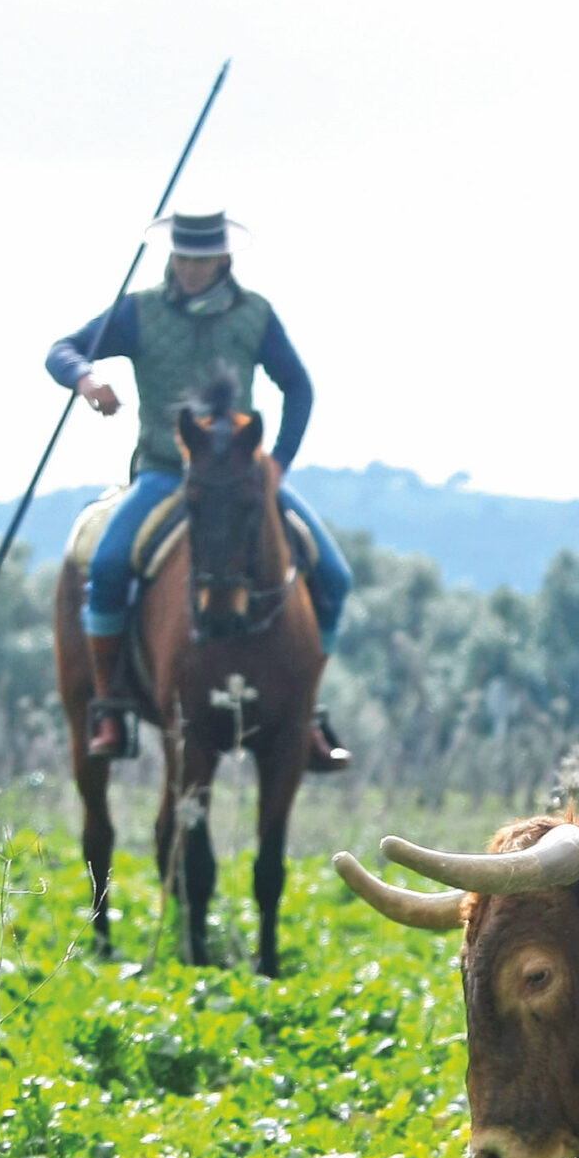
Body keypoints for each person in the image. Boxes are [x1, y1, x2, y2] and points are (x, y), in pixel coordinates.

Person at [46, 210, 353, 765]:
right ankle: (111, 705)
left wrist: (277, 464)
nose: (190, 267)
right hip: (166, 474)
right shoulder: (140, 312)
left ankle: (305, 713)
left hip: (242, 481)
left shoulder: (255, 314)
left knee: (334, 574)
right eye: (183, 257)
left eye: (201, 258)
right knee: (110, 565)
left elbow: (299, 390)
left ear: (223, 260)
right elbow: (62, 350)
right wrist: (86, 378)